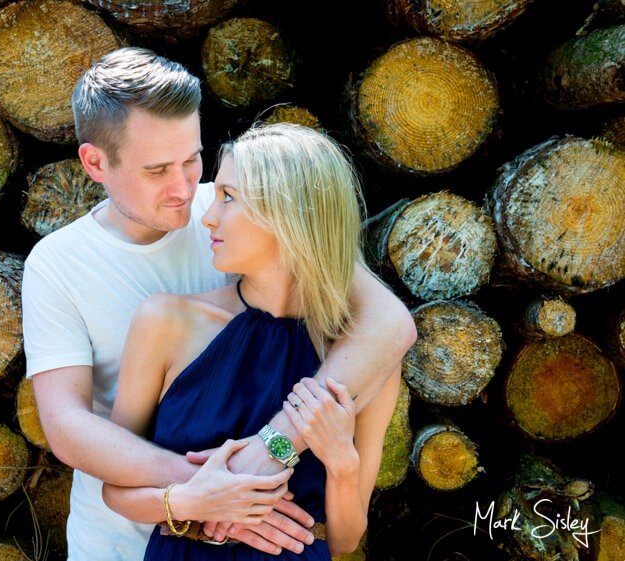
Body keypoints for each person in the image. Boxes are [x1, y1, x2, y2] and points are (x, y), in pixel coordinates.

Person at [21, 47, 417, 561]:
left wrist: (272, 448)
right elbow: (69, 429)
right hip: (121, 541)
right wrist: (221, 489)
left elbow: (385, 320)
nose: (186, 189)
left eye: (192, 159)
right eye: (158, 169)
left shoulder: (244, 201)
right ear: (96, 162)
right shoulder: (58, 264)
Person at [101, 123, 400, 559]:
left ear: (289, 214)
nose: (208, 216)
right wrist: (189, 502)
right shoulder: (166, 322)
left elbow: (345, 540)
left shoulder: (359, 354)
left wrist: (341, 463)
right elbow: (115, 487)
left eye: (229, 197)